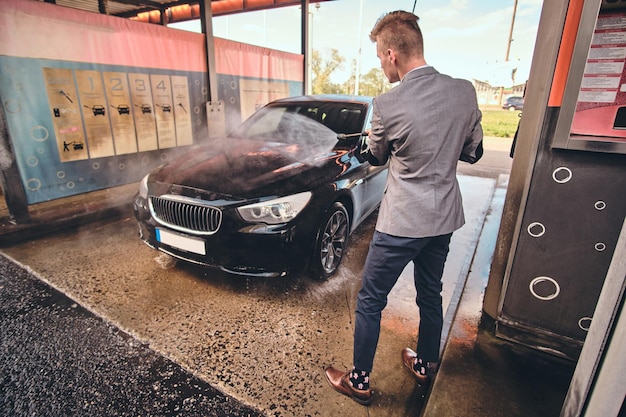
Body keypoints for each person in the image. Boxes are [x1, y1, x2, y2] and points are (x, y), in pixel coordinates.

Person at [325, 10, 483, 406]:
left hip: (401, 224)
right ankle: (425, 364)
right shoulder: (465, 91)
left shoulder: (388, 104)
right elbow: (474, 152)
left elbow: (376, 156)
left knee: (370, 300)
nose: (380, 64)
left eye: (380, 57)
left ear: (393, 53)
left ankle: (359, 380)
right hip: (443, 218)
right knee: (431, 294)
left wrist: (374, 140)